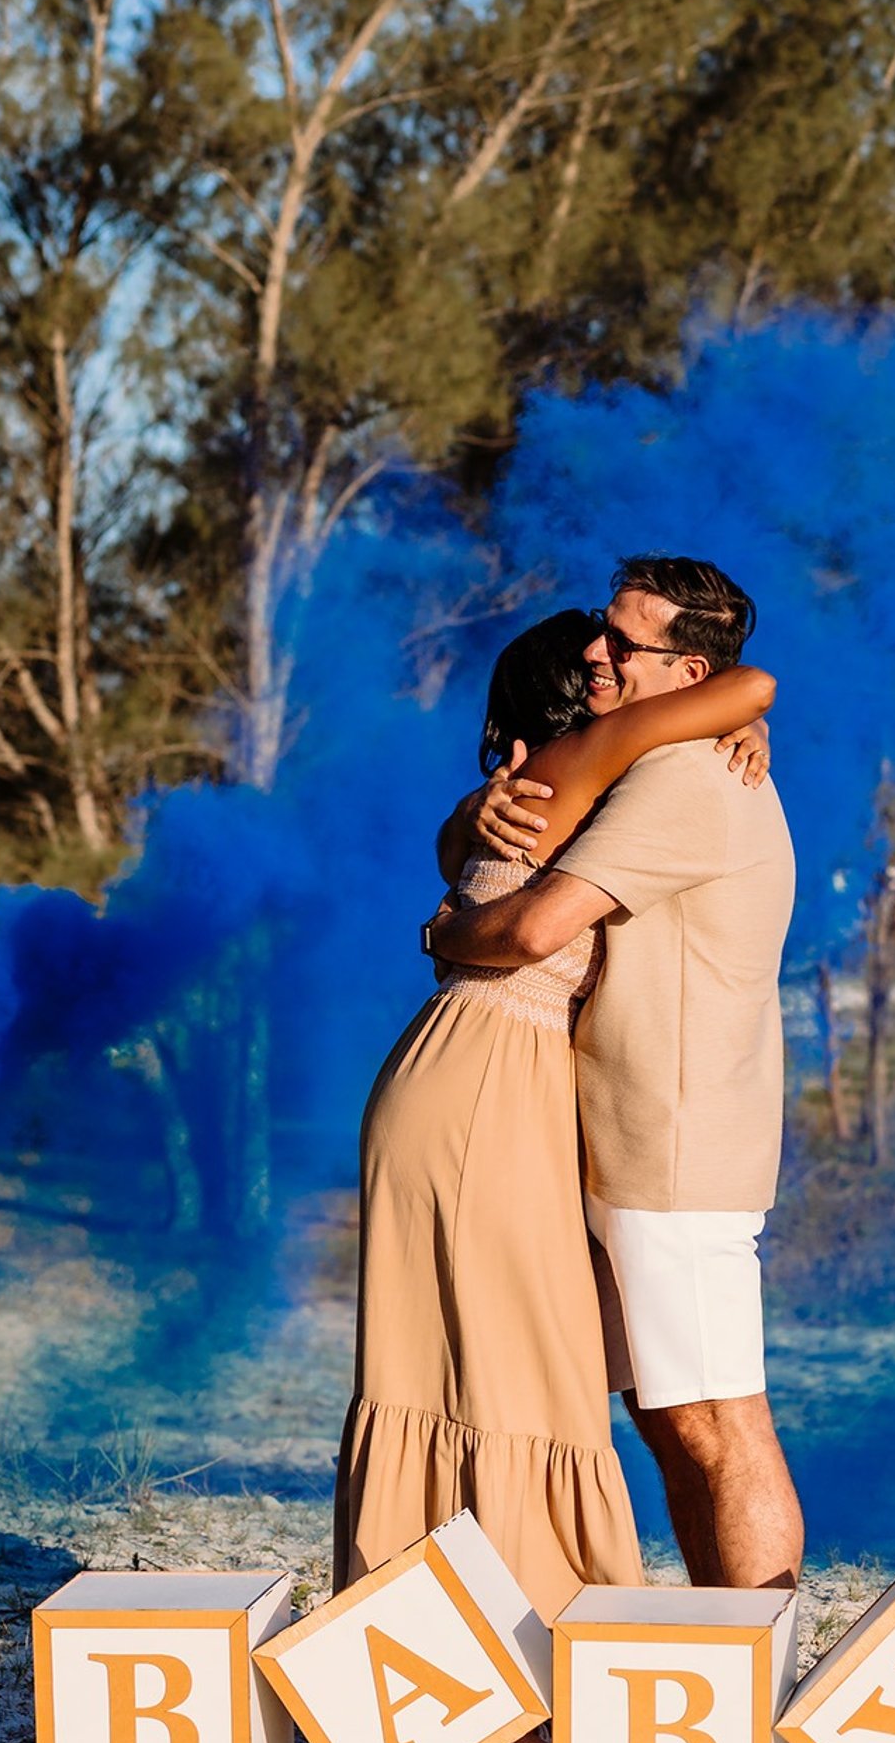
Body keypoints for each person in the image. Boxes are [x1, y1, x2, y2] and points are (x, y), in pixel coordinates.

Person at [334, 607, 777, 1621]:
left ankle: (461, 1630)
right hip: (492, 1073)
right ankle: (535, 1627)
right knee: (513, 1373)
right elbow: (751, 685)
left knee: (479, 1368)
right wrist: (744, 715)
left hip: (473, 1072)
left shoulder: (529, 786)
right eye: (600, 661)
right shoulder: (586, 756)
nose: (614, 668)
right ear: (574, 695)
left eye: (623, 653)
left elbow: (730, 699)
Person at [430, 557, 804, 1593]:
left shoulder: (690, 777)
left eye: (622, 644)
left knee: (722, 1420)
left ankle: (755, 1676)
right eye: (601, 630)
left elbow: (544, 921)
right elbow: (522, 816)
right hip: (628, 1142)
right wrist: (475, 815)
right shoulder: (670, 758)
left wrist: (449, 932)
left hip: (675, 1151)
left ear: (687, 669)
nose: (595, 651)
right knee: (668, 1418)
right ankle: (718, 1647)